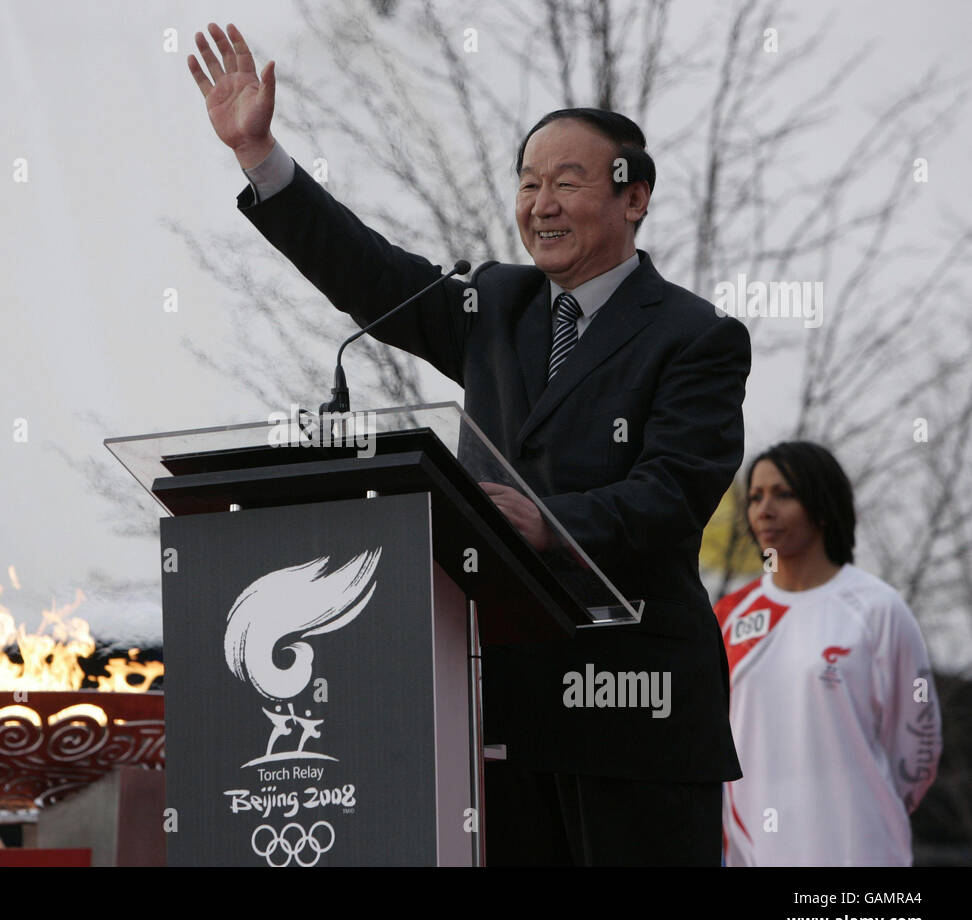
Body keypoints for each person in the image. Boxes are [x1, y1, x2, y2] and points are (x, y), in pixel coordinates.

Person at [188, 23, 752, 865]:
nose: (541, 203)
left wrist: (542, 522)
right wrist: (261, 155)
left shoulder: (695, 336)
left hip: (634, 701)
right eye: (528, 184)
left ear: (635, 198)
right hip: (498, 705)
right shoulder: (498, 303)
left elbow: (671, 495)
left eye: (567, 182)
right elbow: (371, 274)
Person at [714, 442, 941, 865]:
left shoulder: (878, 609)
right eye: (756, 496)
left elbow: (916, 746)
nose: (764, 509)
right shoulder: (728, 616)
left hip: (859, 849)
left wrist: (863, 808)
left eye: (784, 494)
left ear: (821, 504)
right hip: (752, 850)